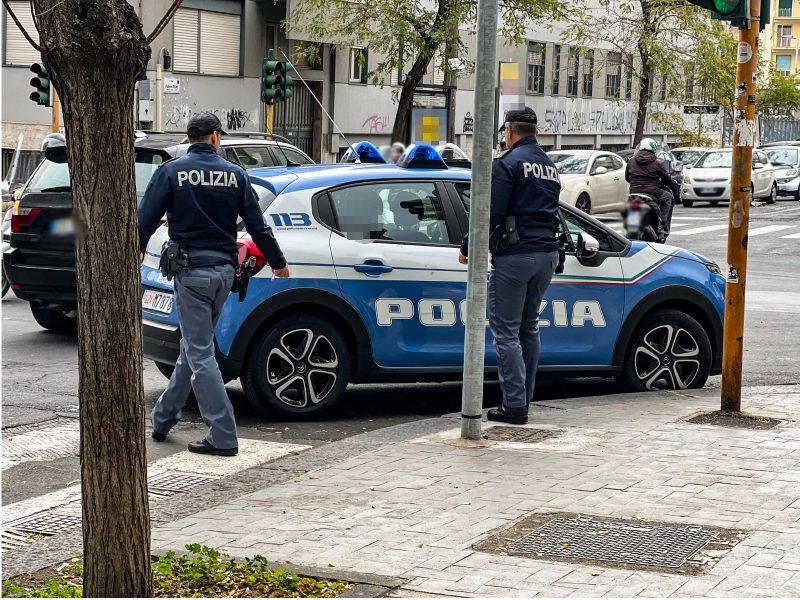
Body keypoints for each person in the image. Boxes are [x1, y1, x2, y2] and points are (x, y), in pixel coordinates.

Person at [138, 112, 289, 456]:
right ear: (216, 137)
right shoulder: (236, 175)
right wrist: (278, 262)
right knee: (195, 349)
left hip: (190, 275)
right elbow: (257, 225)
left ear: (190, 138)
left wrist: (134, 253)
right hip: (224, 273)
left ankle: (222, 434)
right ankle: (162, 418)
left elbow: (144, 221)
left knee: (200, 353)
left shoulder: (172, 171)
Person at [458, 107, 561, 425]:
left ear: (508, 131)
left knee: (506, 332)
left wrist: (468, 245)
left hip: (516, 256)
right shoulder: (549, 165)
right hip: (547, 254)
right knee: (528, 327)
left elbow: (492, 210)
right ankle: (524, 398)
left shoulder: (508, 163)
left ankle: (514, 406)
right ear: (536, 132)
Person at [625, 138, 675, 242]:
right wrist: (669, 183)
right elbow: (667, 179)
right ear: (653, 149)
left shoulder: (631, 161)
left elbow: (627, 178)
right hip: (653, 194)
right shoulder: (658, 163)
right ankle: (663, 229)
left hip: (634, 194)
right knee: (668, 197)